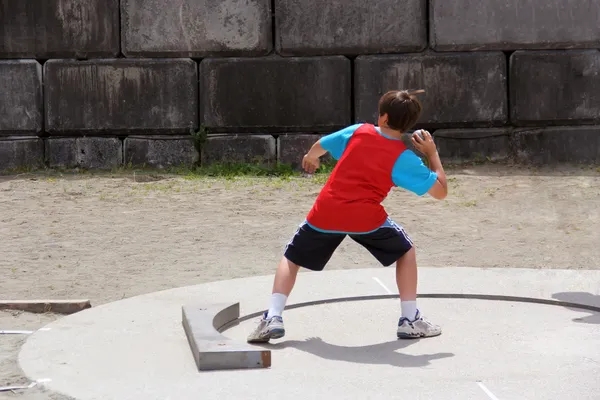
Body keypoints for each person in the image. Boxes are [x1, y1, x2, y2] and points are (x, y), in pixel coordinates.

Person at [247, 89, 448, 343]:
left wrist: (311, 157)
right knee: (405, 250)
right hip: (366, 218)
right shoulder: (403, 157)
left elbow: (322, 145)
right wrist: (431, 153)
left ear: (383, 118)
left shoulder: (358, 131)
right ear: (408, 126)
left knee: (291, 257)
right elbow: (441, 192)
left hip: (327, 212)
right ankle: (409, 319)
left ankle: (273, 316)